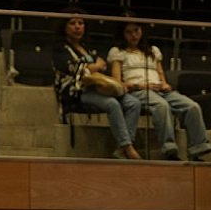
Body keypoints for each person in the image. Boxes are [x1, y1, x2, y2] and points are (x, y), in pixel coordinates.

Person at [110, 21, 211, 161]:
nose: (134, 35)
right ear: (123, 34)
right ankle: (169, 150)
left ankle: (198, 148)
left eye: (136, 30)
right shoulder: (118, 52)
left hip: (159, 89)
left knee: (192, 106)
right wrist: (141, 86)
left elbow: (160, 73)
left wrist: (164, 83)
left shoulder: (153, 50)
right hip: (138, 90)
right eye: (129, 32)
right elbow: (117, 82)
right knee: (162, 106)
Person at [52, 14, 144, 159]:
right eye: (72, 23)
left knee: (133, 103)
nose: (77, 27)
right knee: (112, 104)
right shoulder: (60, 48)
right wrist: (94, 67)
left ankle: (121, 149)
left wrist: (92, 67)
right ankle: (128, 147)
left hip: (97, 87)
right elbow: (74, 69)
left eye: (80, 23)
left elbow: (101, 65)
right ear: (64, 27)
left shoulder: (86, 47)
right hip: (76, 91)